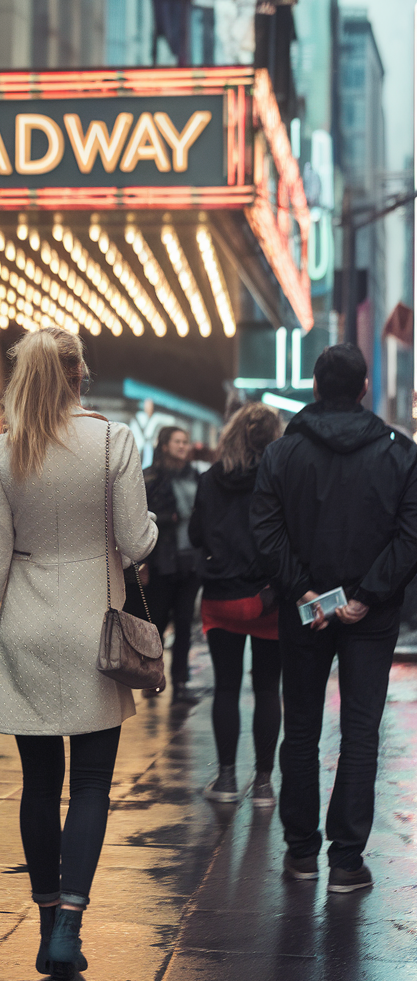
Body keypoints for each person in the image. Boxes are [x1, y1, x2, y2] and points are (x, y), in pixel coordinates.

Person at [0, 328, 157, 981]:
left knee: (38, 784)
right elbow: (134, 539)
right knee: (90, 783)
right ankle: (70, 928)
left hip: (28, 626)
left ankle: (44, 919)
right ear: (80, 374)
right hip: (95, 627)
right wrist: (147, 536)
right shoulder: (114, 442)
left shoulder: (5, 449)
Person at [251, 343, 417, 894]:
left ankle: (301, 853)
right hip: (372, 615)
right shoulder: (401, 452)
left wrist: (303, 591)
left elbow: (266, 532)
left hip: (305, 614)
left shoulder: (281, 454)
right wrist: (368, 594)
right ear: (365, 388)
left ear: (316, 387)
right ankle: (347, 861)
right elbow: (410, 534)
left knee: (299, 729)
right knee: (361, 731)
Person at [189, 404, 283, 806]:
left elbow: (196, 533)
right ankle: (263, 783)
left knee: (226, 688)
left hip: (221, 598)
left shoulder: (210, 478)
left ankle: (226, 780)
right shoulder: (278, 476)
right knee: (266, 689)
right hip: (267, 598)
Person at [143, 426, 201, 702]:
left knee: (184, 622)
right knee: (156, 623)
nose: (182, 446)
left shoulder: (194, 475)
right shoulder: (150, 477)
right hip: (162, 561)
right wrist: (171, 518)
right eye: (177, 441)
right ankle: (153, 678)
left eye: (185, 441)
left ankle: (180, 680)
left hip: (190, 561)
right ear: (164, 445)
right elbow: (142, 516)